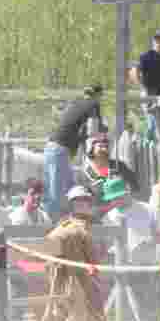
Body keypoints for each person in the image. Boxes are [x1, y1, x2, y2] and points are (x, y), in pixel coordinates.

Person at [34, 185, 111, 321]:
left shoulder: (80, 227)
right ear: (72, 205)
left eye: (85, 201)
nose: (82, 205)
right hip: (72, 282)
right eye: (78, 202)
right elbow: (53, 254)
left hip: (78, 280)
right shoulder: (70, 228)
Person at [44, 85, 102, 221]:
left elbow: (71, 124)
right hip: (59, 150)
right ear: (99, 95)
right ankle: (53, 224)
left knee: (70, 188)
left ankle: (70, 218)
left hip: (54, 148)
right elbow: (93, 131)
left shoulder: (76, 102)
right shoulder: (93, 104)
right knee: (56, 192)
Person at [130, 30, 160, 98]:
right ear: (153, 42)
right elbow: (135, 72)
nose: (159, 42)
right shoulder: (145, 56)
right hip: (147, 93)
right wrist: (143, 88)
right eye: (157, 40)